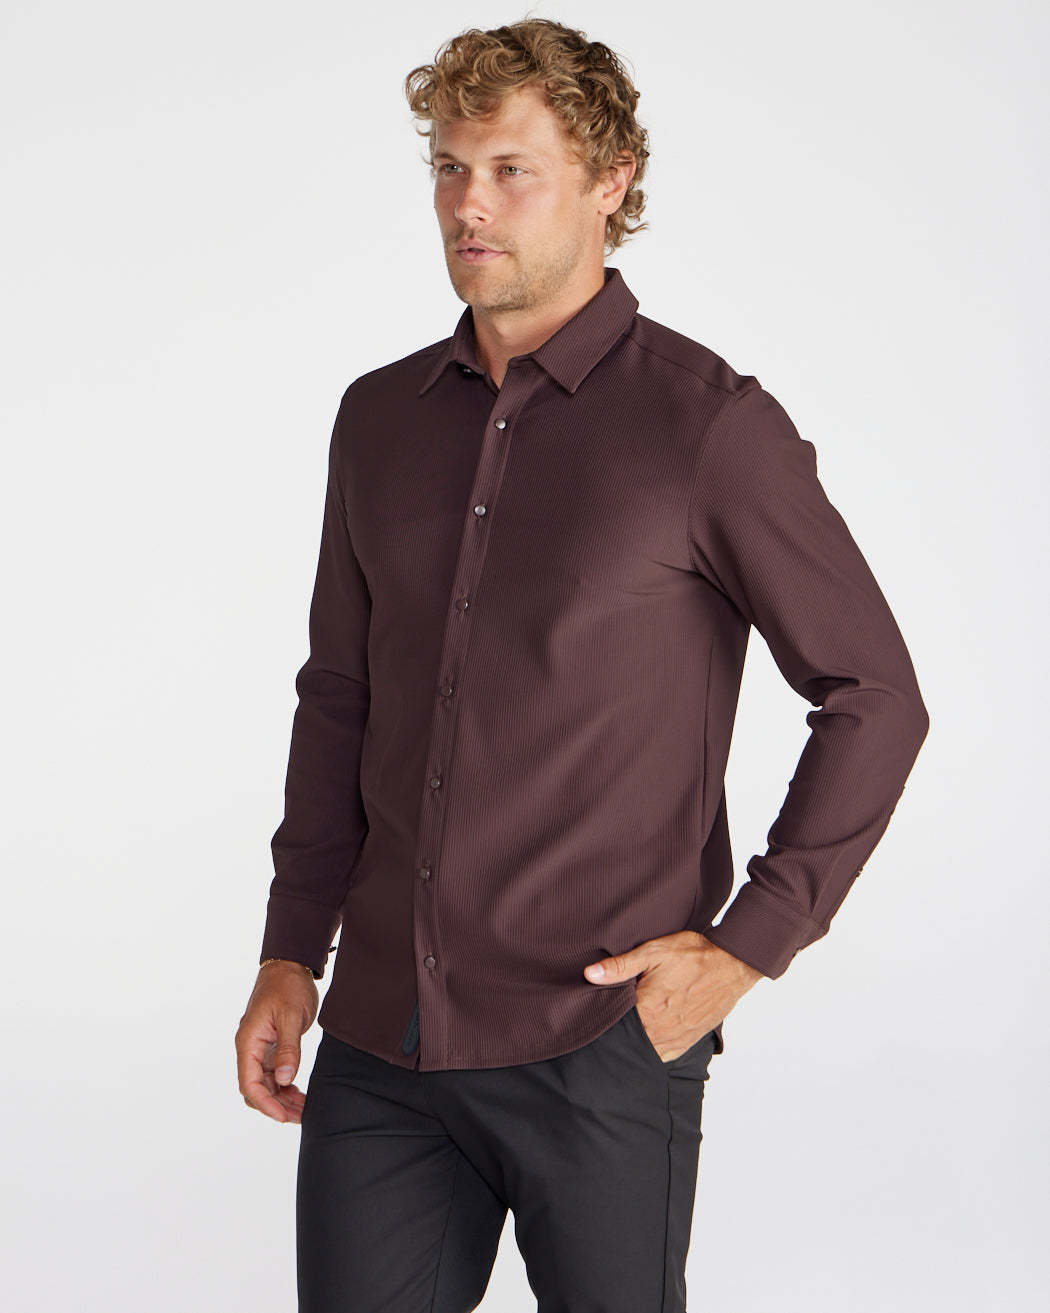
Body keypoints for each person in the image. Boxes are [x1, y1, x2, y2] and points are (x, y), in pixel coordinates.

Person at [235, 17, 929, 1312]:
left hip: (599, 1038)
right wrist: (291, 951)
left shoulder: (707, 427)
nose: (467, 205)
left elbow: (875, 697)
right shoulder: (377, 418)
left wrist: (747, 946)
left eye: (511, 170)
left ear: (612, 180)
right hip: (381, 1040)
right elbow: (340, 696)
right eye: (450, 168)